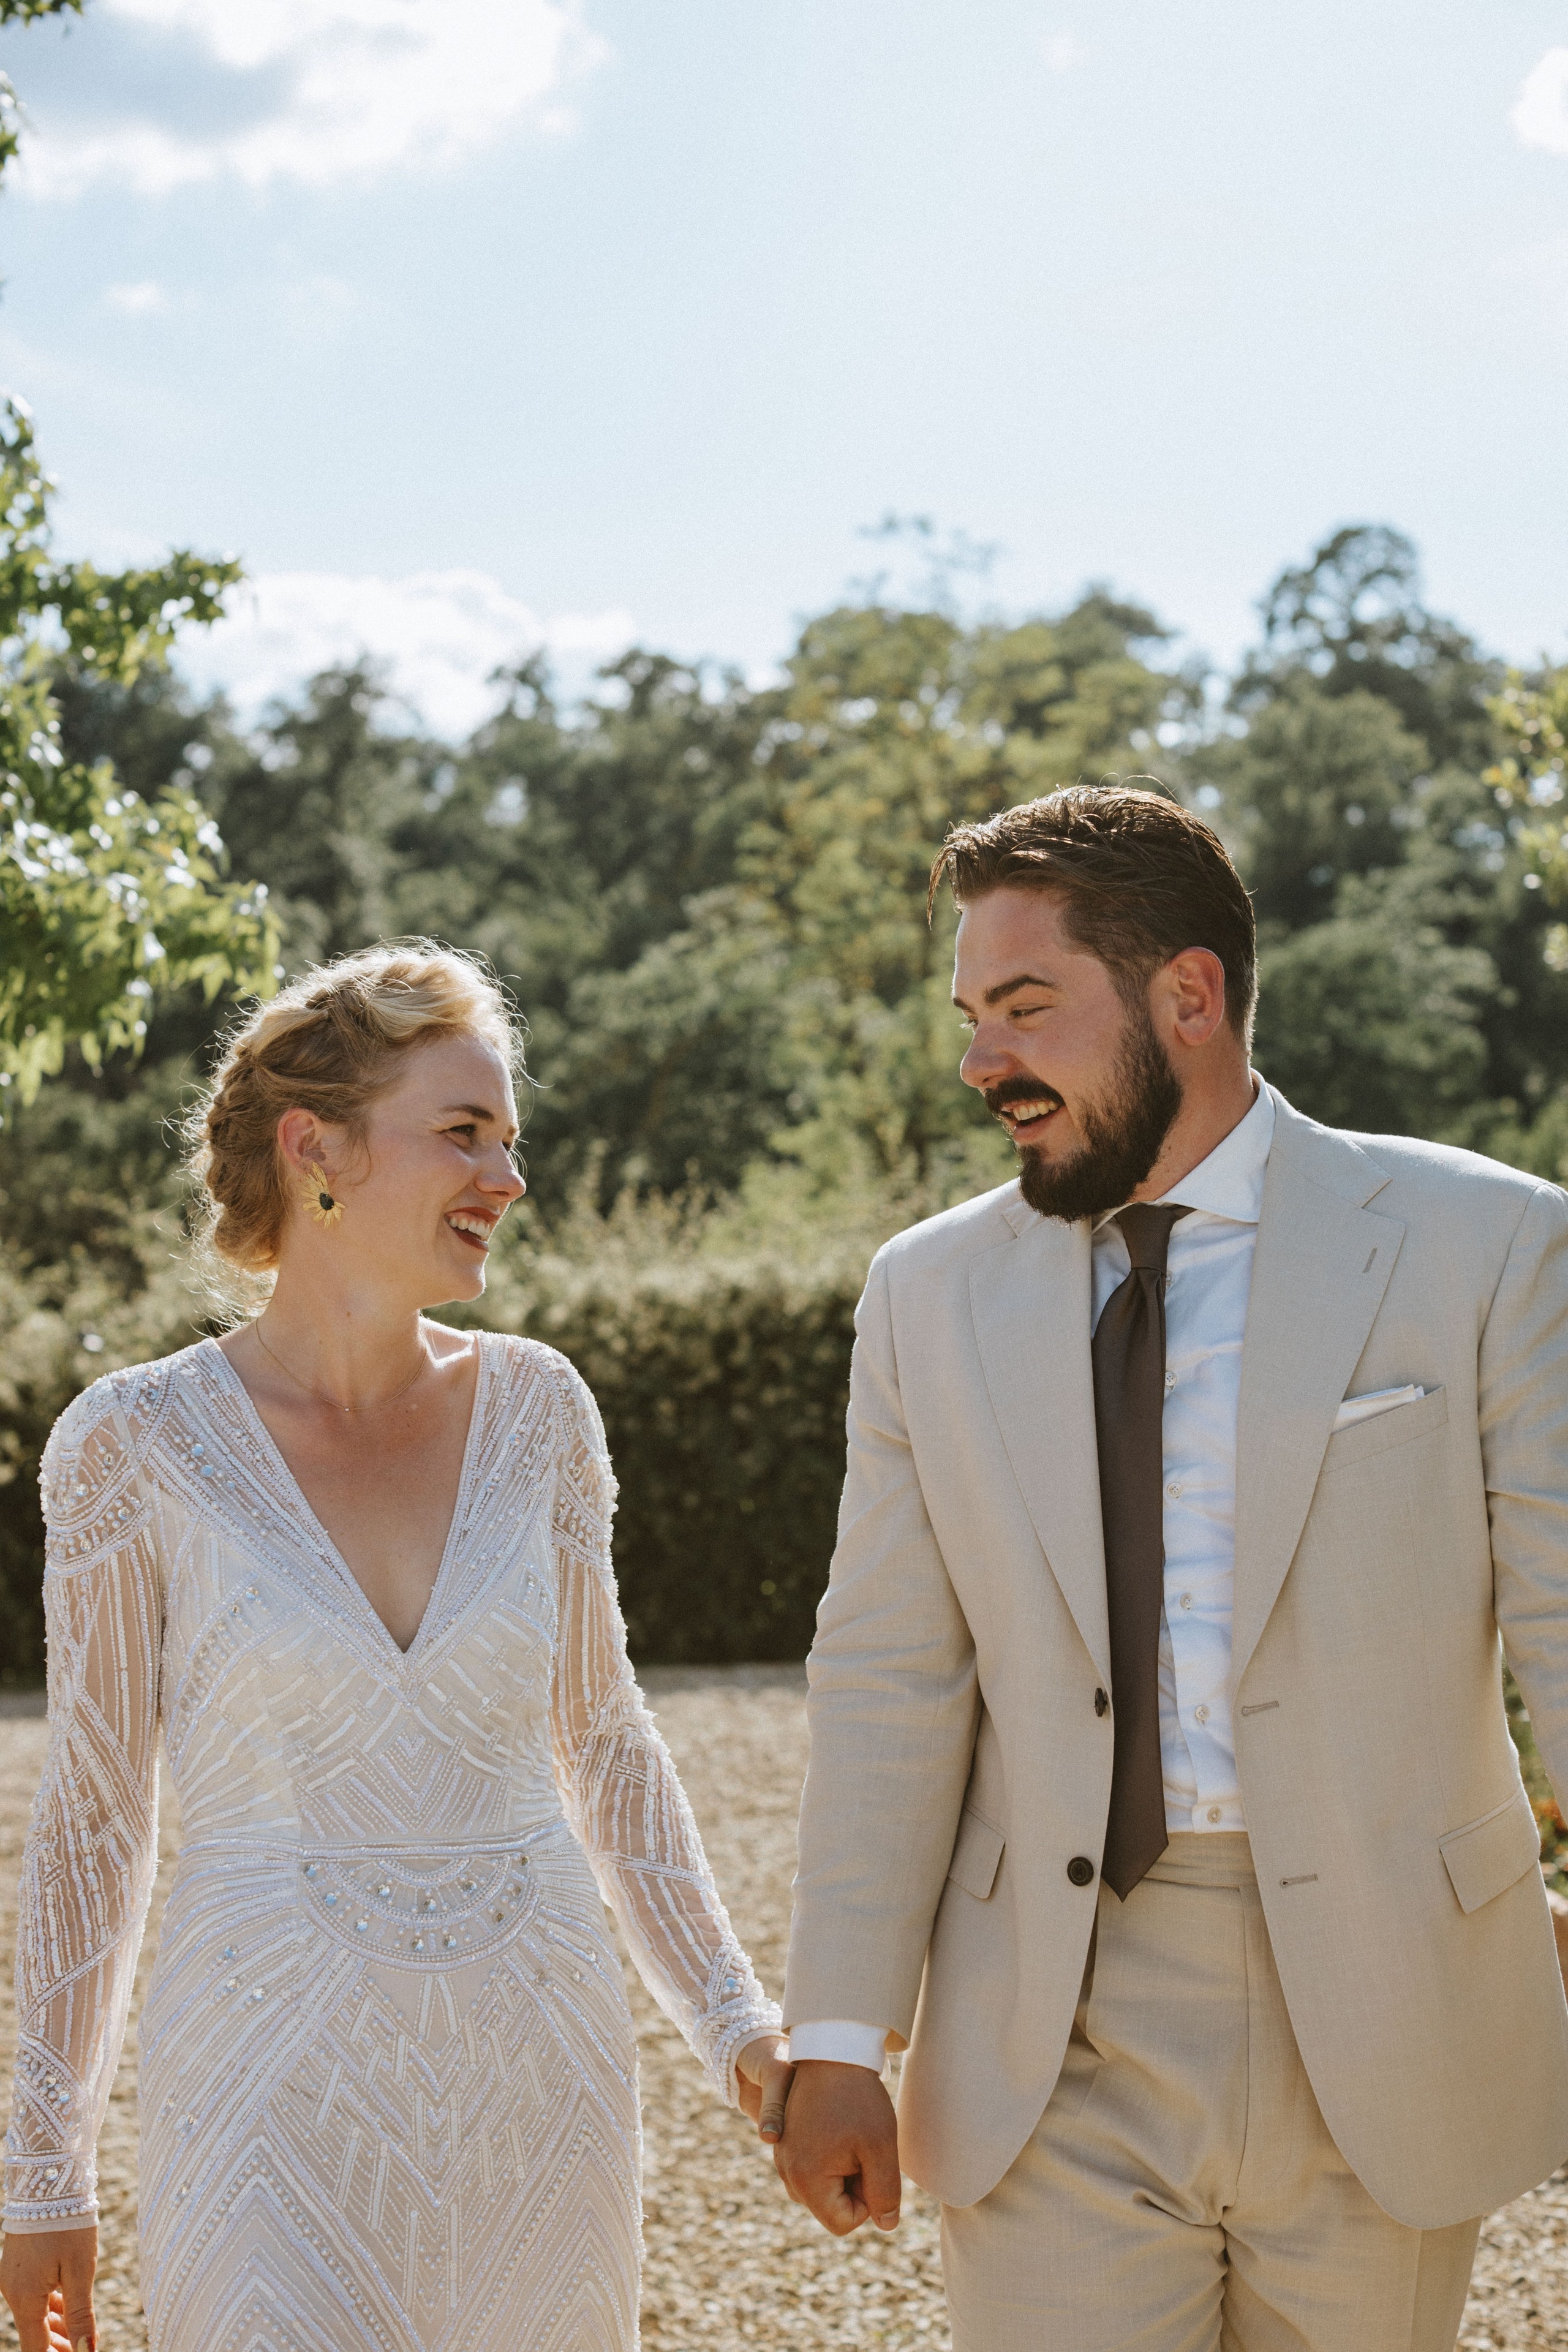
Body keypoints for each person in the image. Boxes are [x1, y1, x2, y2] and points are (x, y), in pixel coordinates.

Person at [772, 786, 1568, 2351]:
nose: (979, 1061)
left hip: (1388, 2005)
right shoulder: (922, 1297)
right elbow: (885, 1676)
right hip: (1044, 2028)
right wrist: (837, 2032)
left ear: (1184, 996)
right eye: (970, 1015)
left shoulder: (1481, 1243)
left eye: (1022, 1007)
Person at [1, 944, 791, 2352]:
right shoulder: (134, 1444)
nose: (509, 1175)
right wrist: (41, 2166)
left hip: (536, 2075)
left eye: (510, 1135)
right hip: (263, 2082)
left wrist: (740, 2029)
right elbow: (94, 1822)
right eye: (463, 1131)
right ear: (318, 1150)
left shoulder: (542, 1411)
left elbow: (606, 1750)